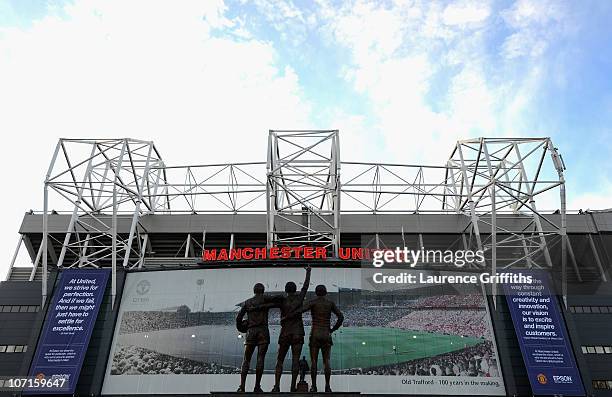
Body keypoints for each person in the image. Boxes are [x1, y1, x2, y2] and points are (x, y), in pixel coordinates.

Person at [285, 284, 343, 392]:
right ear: (325, 292)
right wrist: (332, 329)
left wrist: (288, 315)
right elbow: (341, 317)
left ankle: (314, 386)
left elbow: (300, 310)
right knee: (327, 361)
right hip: (326, 333)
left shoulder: (313, 302)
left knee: (314, 361)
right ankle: (327, 386)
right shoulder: (330, 303)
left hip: (315, 333)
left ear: (316, 293)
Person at [271, 266, 311, 392]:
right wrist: (308, 272)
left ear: (286, 290)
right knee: (295, 360)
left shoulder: (282, 301)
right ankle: (293, 387)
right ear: (295, 290)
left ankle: (276, 386)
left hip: (285, 332)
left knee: (280, 360)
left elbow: (269, 303)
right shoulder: (299, 298)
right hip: (298, 332)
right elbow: (305, 287)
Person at [235, 282, 279, 393]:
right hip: (262, 331)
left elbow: (238, 318)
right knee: (260, 359)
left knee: (246, 360)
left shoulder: (247, 302)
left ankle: (242, 387)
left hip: (251, 331)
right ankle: (257, 386)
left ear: (254, 291)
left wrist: (241, 328)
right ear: (263, 290)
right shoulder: (265, 299)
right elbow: (277, 299)